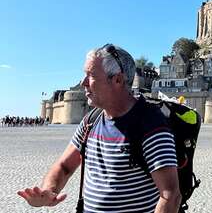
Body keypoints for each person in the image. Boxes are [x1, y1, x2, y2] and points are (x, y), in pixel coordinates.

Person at [18, 44, 181, 212]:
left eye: (91, 75)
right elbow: (64, 166)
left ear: (117, 80)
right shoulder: (91, 120)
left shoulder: (151, 124)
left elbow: (170, 196)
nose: (83, 82)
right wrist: (48, 190)